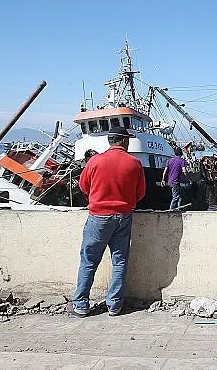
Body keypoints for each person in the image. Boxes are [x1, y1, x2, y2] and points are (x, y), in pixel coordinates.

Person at [71, 126, 145, 317]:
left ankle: (81, 304)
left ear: (110, 141)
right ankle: (114, 305)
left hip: (98, 217)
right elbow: (140, 193)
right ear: (124, 141)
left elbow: (83, 186)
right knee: (119, 261)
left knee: (89, 261)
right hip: (123, 217)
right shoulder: (134, 163)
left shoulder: (95, 161)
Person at [162, 145, 189, 210]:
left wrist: (163, 180)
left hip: (169, 182)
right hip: (175, 182)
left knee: (180, 195)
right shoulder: (182, 161)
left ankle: (179, 208)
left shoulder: (170, 160)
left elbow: (165, 171)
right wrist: (189, 178)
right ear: (181, 154)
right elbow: (184, 171)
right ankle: (171, 210)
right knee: (175, 197)